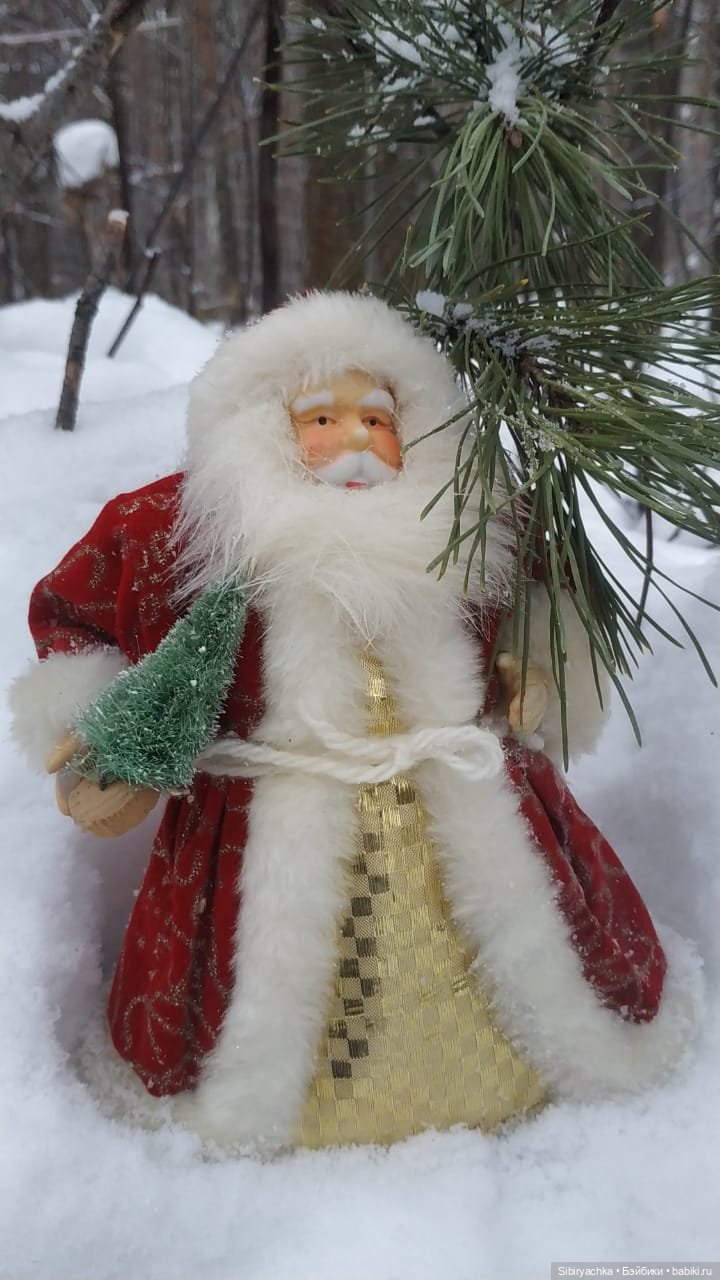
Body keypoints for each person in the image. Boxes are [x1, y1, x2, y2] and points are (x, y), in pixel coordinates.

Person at [11, 291, 696, 1152]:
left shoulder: (473, 522)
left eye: (377, 418)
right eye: (323, 419)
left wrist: (536, 659)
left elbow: (550, 589)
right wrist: (100, 728)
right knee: (256, 976)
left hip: (463, 793)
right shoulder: (178, 534)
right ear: (267, 428)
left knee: (536, 948)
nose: (356, 439)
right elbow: (75, 610)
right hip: (258, 823)